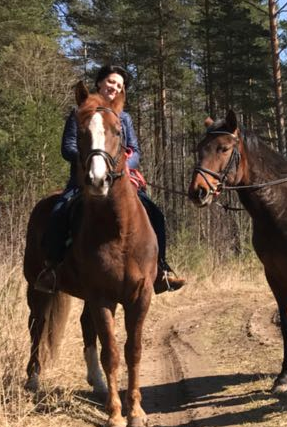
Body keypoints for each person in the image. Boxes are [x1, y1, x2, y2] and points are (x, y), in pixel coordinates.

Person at [37, 65, 185, 295]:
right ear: (99, 83)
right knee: (59, 211)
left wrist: (123, 165)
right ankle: (53, 269)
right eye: (110, 82)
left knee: (155, 213)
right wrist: (94, 161)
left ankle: (161, 269)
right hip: (84, 180)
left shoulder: (123, 118)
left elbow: (134, 150)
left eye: (119, 85)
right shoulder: (79, 113)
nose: (114, 87)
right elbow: (68, 148)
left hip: (120, 181)